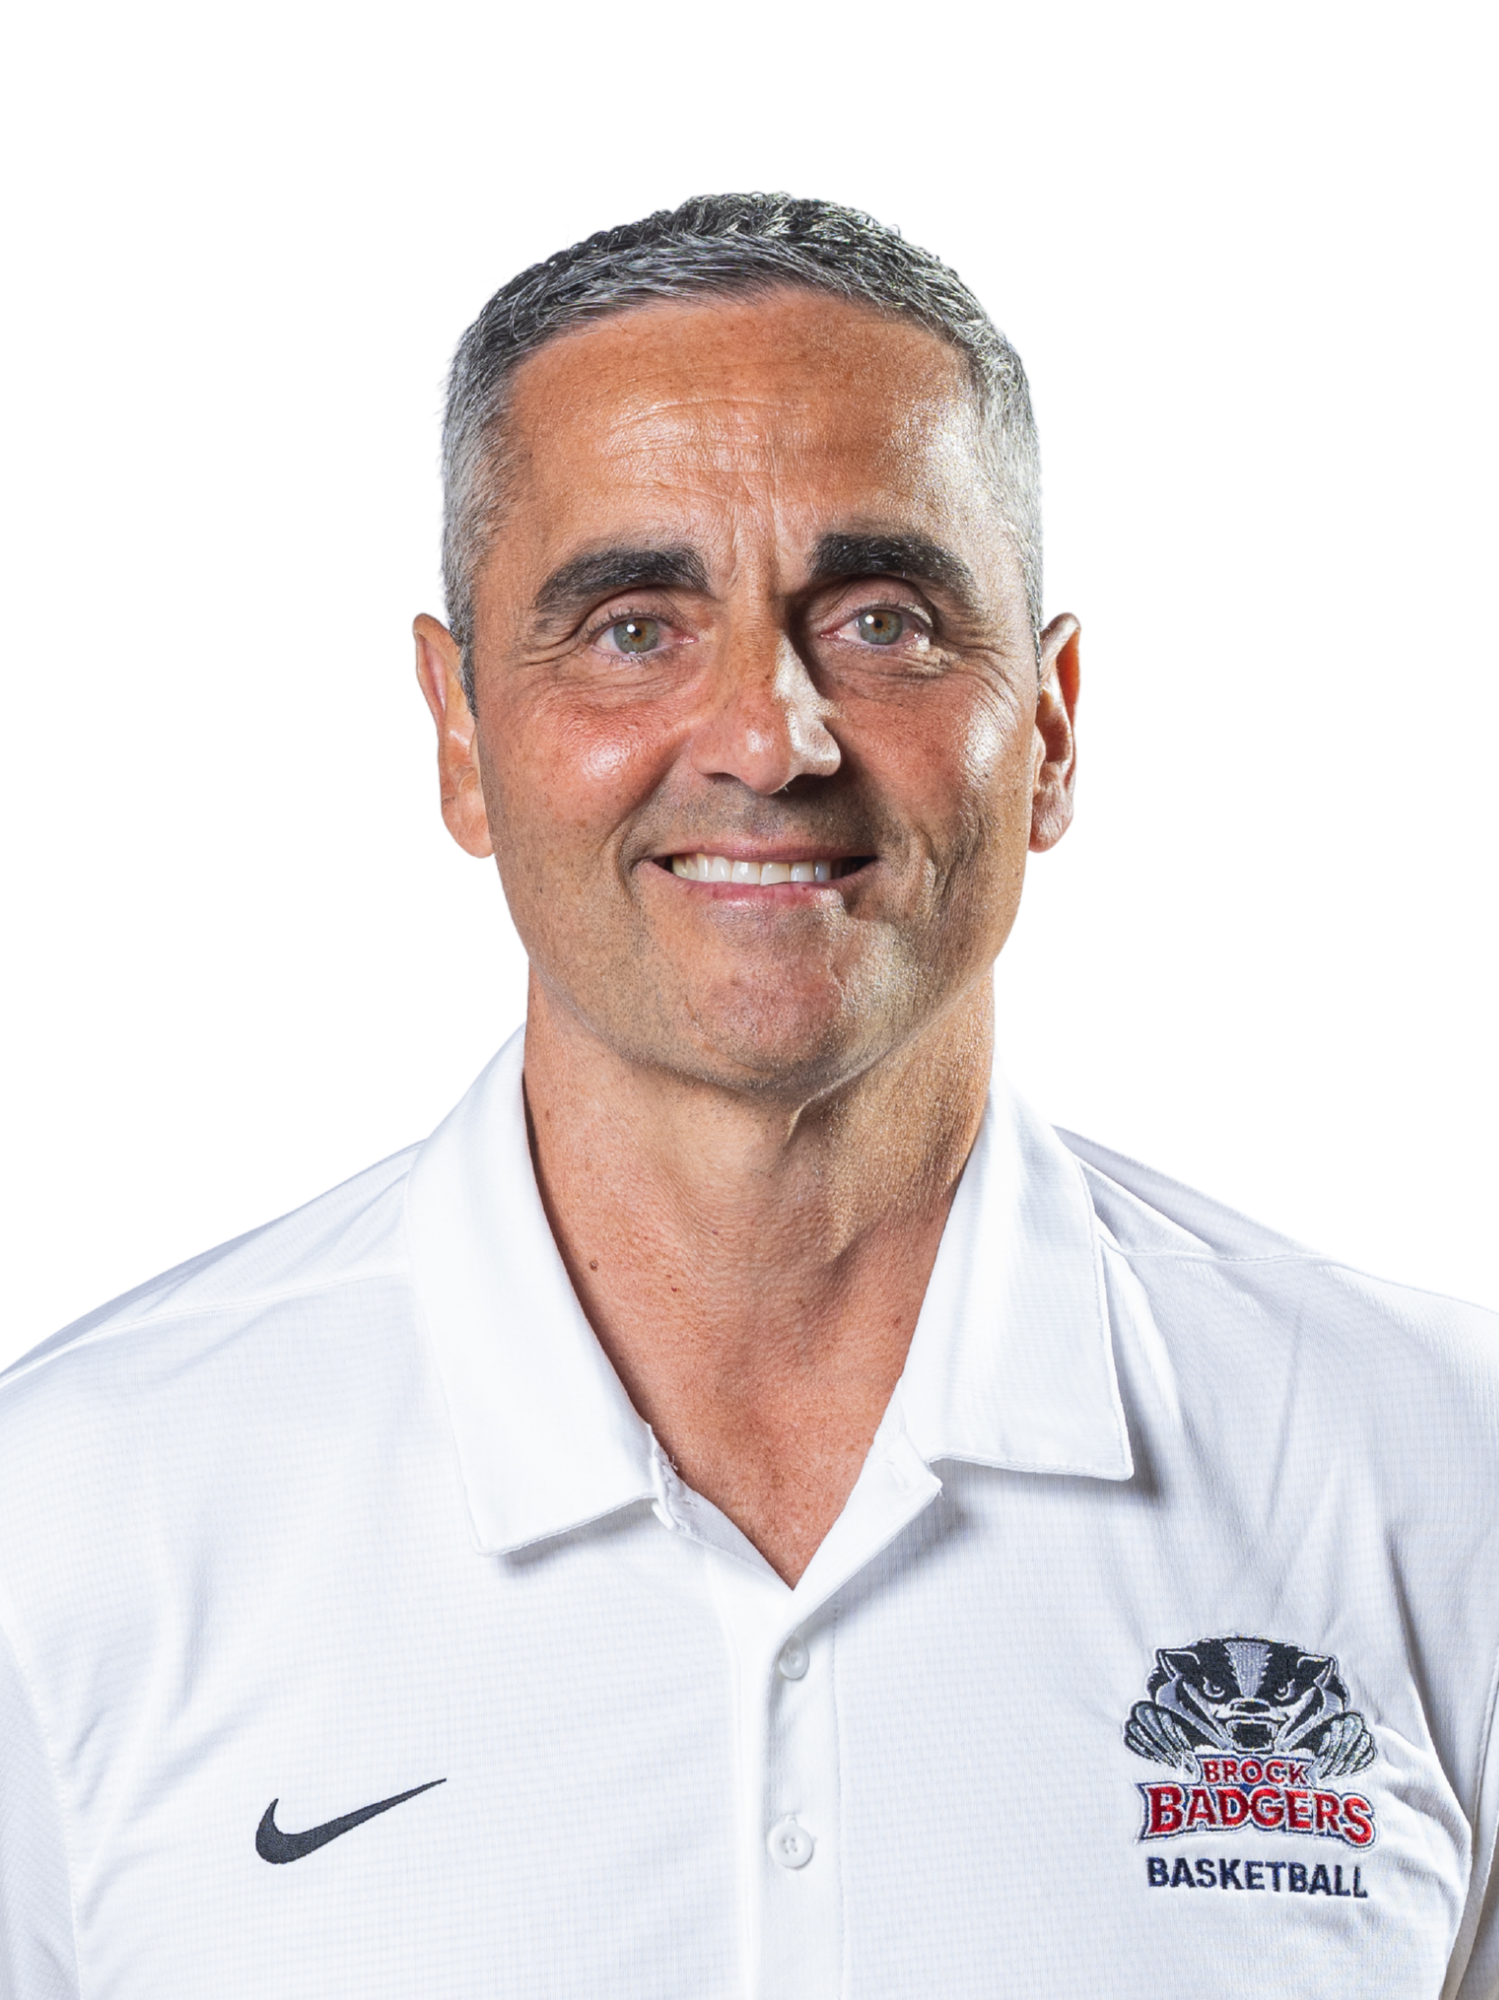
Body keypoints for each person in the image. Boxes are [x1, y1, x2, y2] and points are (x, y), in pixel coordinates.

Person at [0, 193, 1495, 2000]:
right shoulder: (70, 1520)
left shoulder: (1436, 1467)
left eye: (881, 619)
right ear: (458, 731)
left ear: (1050, 726)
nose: (769, 739)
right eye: (632, 627)